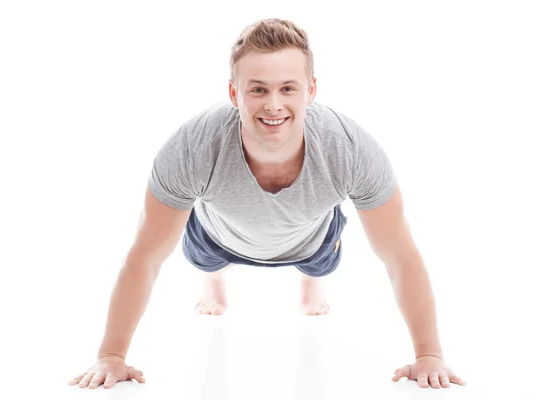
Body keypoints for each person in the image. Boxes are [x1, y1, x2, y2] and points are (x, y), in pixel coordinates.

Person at [68, 18, 466, 391]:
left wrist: (429, 354)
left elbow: (400, 255)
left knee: (320, 262)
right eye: (258, 89)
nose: (273, 104)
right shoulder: (193, 147)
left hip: (311, 240)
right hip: (216, 237)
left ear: (311, 91)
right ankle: (215, 278)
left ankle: (310, 280)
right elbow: (145, 257)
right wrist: (112, 355)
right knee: (205, 260)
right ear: (233, 93)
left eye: (287, 88)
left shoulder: (349, 149)